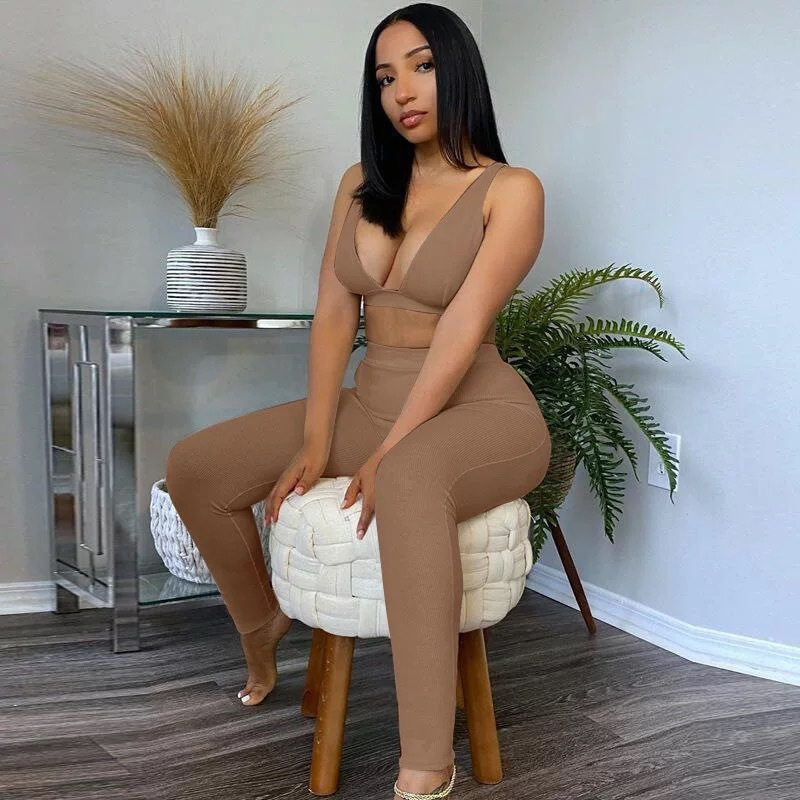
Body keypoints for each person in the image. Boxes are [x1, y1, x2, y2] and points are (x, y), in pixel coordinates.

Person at [165, 4, 551, 798]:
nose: (401, 91)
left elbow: (461, 330)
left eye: (422, 66)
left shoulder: (510, 190)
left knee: (408, 477)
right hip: (372, 399)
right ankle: (262, 625)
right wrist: (317, 438)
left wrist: (390, 449)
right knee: (198, 467)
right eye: (384, 77)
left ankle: (426, 763)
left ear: (459, 68)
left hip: (480, 409)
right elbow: (336, 314)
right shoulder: (361, 184)